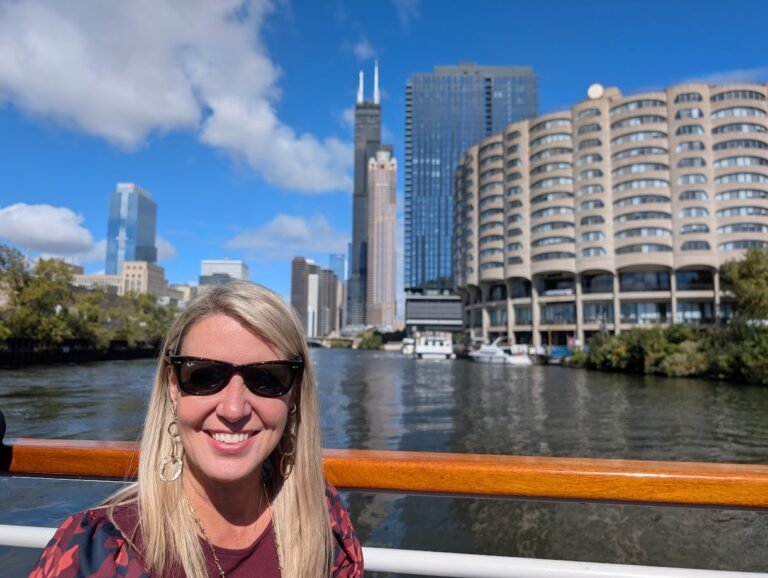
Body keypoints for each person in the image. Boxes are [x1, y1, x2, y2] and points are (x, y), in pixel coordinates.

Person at [30, 281, 363, 577]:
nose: (234, 409)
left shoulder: (321, 517)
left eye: (267, 379)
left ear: (294, 392)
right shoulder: (94, 551)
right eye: (204, 376)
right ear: (173, 386)